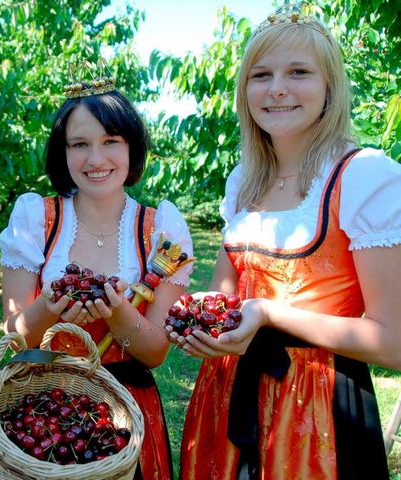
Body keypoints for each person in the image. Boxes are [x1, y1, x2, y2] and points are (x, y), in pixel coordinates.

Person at [171, 6, 401, 480]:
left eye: (298, 72)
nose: (276, 89)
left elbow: (393, 341)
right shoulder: (244, 182)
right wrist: (200, 319)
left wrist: (270, 314)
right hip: (226, 396)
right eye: (261, 75)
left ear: (330, 87)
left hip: (319, 412)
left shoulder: (363, 176)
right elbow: (226, 297)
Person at [0, 69, 194, 479]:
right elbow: (15, 338)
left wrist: (117, 311)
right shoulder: (36, 220)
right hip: (47, 410)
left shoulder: (163, 231)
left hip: (126, 415)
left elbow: (156, 353)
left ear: (132, 147)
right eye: (79, 144)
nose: (95, 159)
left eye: (111, 142)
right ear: (63, 151)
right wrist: (49, 308)